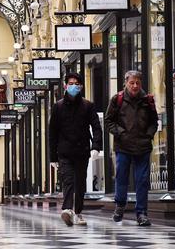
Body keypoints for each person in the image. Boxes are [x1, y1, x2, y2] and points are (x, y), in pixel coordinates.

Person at [104, 70, 158, 226]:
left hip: (142, 146)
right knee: (121, 177)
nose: (135, 86)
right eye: (131, 83)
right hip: (123, 146)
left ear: (141, 84)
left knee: (141, 180)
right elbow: (108, 121)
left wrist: (148, 135)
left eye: (137, 83)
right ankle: (120, 205)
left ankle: (141, 213)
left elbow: (154, 122)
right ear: (126, 83)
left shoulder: (148, 100)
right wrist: (120, 133)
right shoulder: (117, 99)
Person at [49, 72, 102, 226]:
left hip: (82, 150)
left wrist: (96, 146)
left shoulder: (88, 106)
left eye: (76, 84)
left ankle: (78, 212)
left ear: (81, 86)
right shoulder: (58, 107)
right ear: (65, 86)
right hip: (64, 152)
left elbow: (96, 127)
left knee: (80, 184)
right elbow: (53, 132)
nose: (73, 86)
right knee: (68, 180)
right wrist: (53, 156)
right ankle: (67, 210)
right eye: (70, 83)